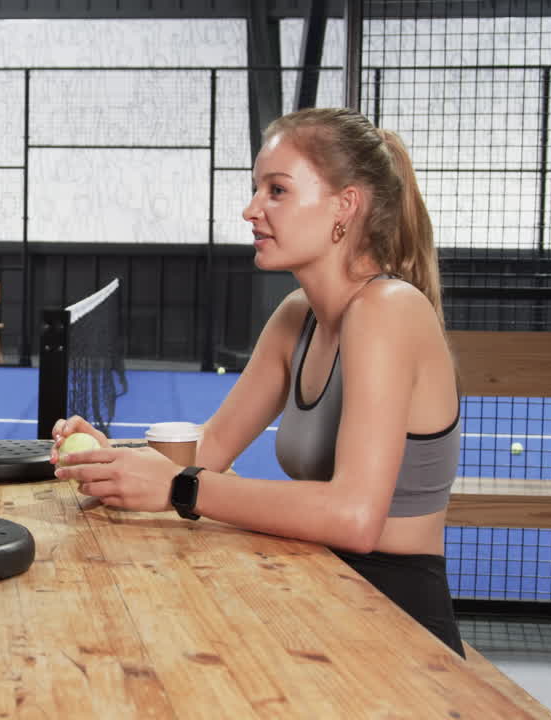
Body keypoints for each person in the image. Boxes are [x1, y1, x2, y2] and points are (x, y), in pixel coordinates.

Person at [51, 107, 464, 656]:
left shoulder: (388, 309)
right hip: (319, 585)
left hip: (394, 615)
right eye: (256, 189)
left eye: (277, 191)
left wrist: (180, 487)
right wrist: (116, 461)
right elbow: (211, 447)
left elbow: (356, 518)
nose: (251, 210)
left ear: (345, 205)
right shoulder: (297, 316)